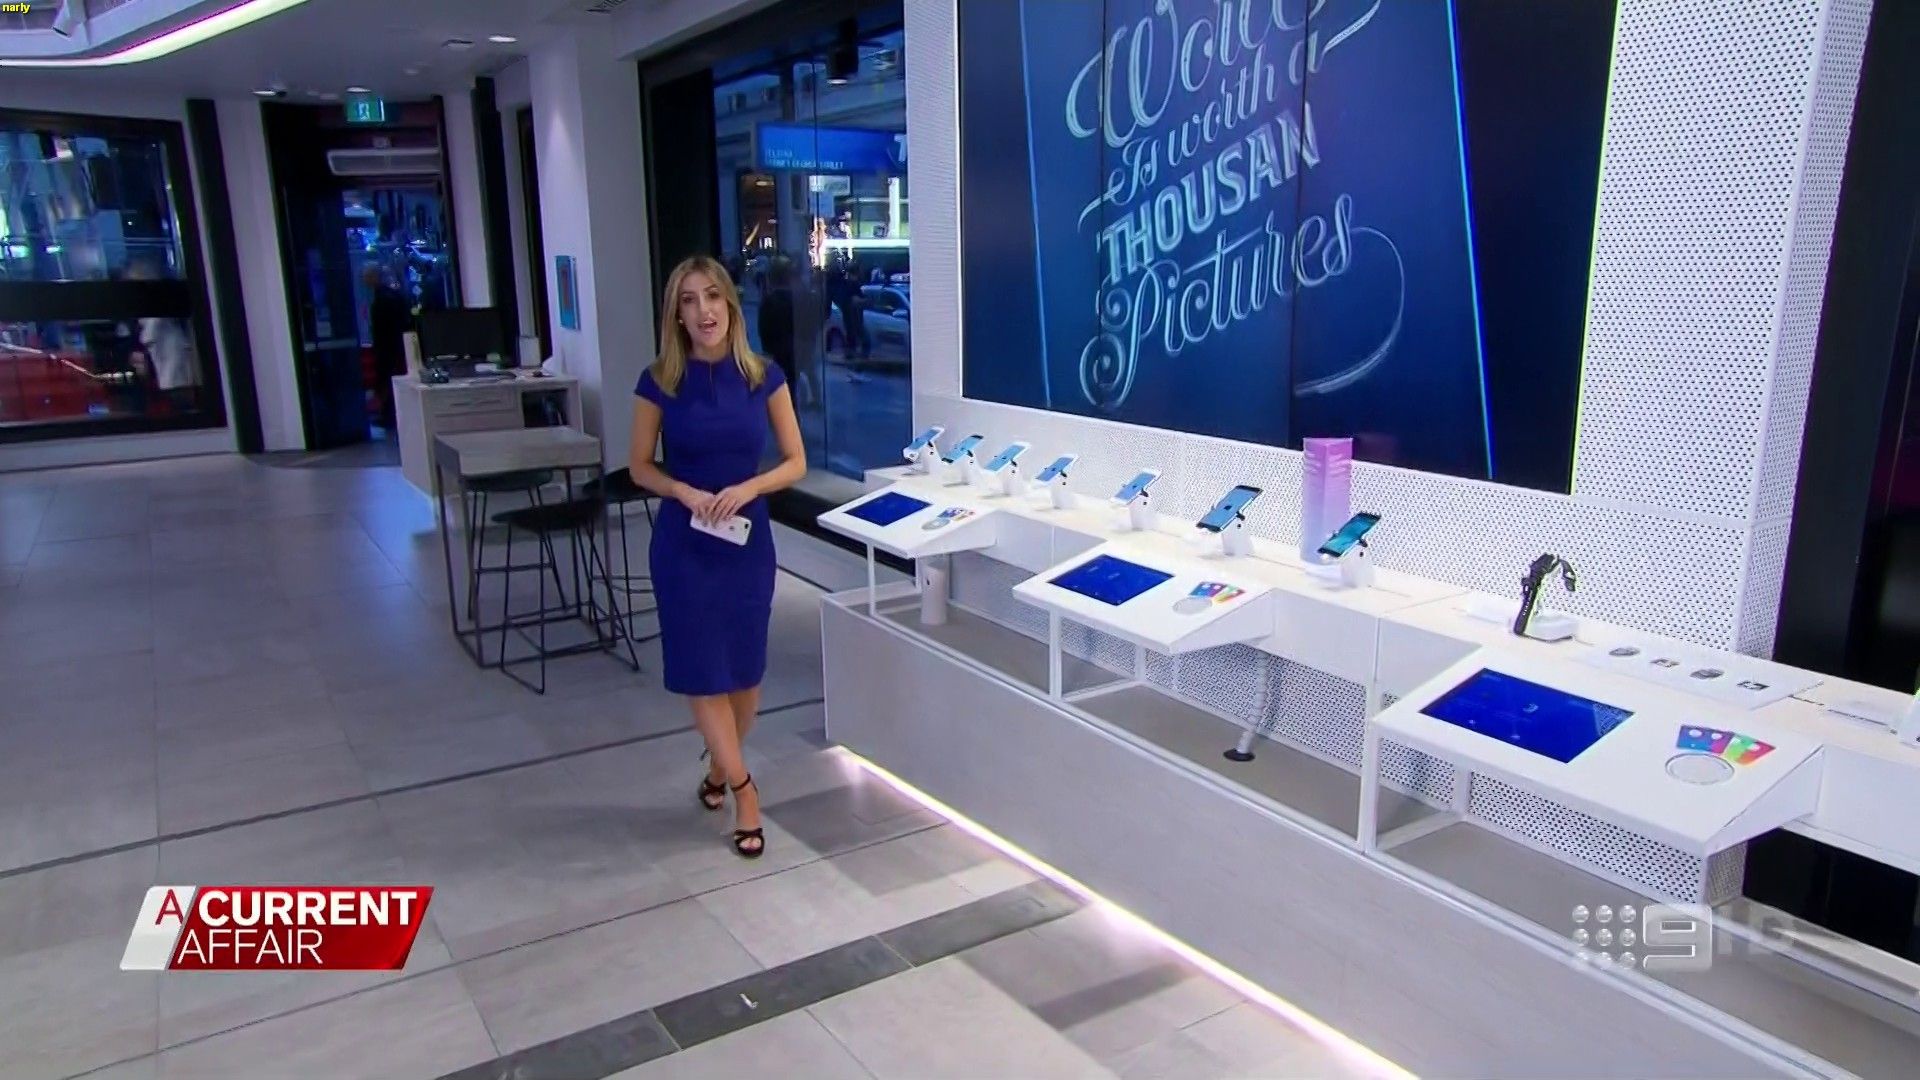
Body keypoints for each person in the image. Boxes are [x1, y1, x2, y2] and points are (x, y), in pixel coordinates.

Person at [628, 256, 807, 859]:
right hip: (684, 548)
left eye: (711, 296)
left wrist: (750, 487)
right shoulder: (659, 381)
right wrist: (681, 490)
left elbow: (796, 462)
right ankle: (744, 791)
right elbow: (639, 466)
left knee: (745, 679)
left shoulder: (763, 375)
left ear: (730, 303)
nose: (703, 310)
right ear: (676, 315)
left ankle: (715, 770)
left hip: (745, 545)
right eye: (688, 300)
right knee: (705, 673)